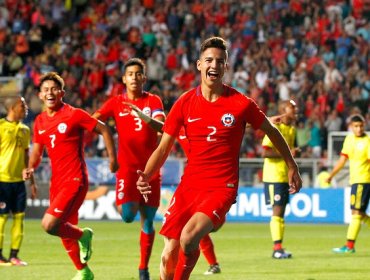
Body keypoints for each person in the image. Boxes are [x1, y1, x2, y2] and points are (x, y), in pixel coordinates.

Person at [136, 37, 302, 280]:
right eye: (209, 60)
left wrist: (292, 166)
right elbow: (163, 148)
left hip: (220, 188)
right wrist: (147, 175)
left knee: (189, 236)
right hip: (189, 186)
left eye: (220, 61)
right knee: (168, 254)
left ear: (226, 67)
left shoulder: (241, 103)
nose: (214, 65)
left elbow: (271, 130)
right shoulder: (184, 103)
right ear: (199, 65)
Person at [22, 72, 118, 280]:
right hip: (57, 182)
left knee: (49, 224)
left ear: (62, 93)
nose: (50, 92)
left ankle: (85, 235)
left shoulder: (74, 114)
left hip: (75, 179)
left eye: (54, 89)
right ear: (40, 95)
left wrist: (113, 159)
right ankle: (84, 271)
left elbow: (104, 130)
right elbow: (37, 153)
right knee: (63, 229)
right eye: (46, 89)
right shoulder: (39, 122)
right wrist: (31, 167)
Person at [126, 103, 221, 275]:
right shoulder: (178, 129)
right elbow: (161, 127)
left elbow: (236, 121)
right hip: (190, 185)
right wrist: (144, 117)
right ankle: (208, 263)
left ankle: (212, 263)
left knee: (195, 233)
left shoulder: (205, 124)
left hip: (212, 186)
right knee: (178, 241)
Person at [92, 58, 165, 280]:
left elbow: (161, 125)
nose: (134, 77)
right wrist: (107, 139)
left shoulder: (153, 100)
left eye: (138, 73)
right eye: (130, 74)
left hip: (150, 169)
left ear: (144, 77)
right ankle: (129, 204)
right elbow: (94, 119)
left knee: (149, 220)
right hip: (126, 169)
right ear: (124, 79)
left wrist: (148, 120)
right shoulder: (115, 103)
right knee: (127, 216)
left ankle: (143, 269)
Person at [0, 96, 37, 266]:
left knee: (19, 219)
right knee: (1, 219)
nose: (26, 108)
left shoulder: (25, 130)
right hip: (2, 181)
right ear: (13, 107)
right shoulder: (0, 127)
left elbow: (26, 157)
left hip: (18, 183)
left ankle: (14, 256)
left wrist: (32, 182)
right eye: (23, 105)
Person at [261, 100, 300, 259]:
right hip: (273, 175)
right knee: (277, 211)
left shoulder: (292, 129)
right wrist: (287, 153)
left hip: (284, 176)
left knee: (281, 212)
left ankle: (279, 248)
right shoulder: (274, 127)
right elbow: (265, 152)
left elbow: (291, 152)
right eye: (292, 107)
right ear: (283, 110)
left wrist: (293, 154)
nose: (295, 109)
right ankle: (277, 249)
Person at [327, 114, 370, 253]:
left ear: (364, 125)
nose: (358, 129)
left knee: (356, 213)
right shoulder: (349, 140)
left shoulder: (367, 141)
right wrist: (331, 175)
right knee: (359, 213)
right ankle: (349, 246)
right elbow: (342, 161)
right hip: (355, 180)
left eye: (361, 126)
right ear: (351, 127)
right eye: (356, 126)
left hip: (363, 180)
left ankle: (349, 246)